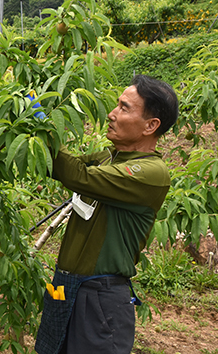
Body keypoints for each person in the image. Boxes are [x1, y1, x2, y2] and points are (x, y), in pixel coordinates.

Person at [35, 75, 179, 354]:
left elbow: (78, 176)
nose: (111, 115)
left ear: (151, 125)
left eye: (124, 108)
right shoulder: (109, 157)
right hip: (65, 286)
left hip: (100, 296)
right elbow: (59, 165)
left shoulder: (151, 173)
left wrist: (43, 128)